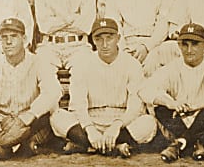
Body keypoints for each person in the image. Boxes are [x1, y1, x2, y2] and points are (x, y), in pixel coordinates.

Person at [51, 18, 158, 158]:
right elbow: (78, 105)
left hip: (121, 121)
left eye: (110, 38)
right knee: (57, 117)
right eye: (99, 39)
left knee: (148, 123)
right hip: (91, 119)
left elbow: (135, 107)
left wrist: (117, 126)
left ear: (118, 38)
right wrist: (90, 129)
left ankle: (88, 146)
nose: (105, 44)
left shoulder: (132, 64)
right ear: (93, 41)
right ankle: (114, 147)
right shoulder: (83, 64)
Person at [0, 18, 61, 160]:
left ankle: (12, 147)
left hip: (31, 118)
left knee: (46, 121)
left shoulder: (38, 62)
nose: (8, 42)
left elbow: (54, 91)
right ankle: (13, 146)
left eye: (14, 37)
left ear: (24, 38)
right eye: (4, 38)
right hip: (4, 119)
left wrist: (29, 115)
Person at [138, 23, 204, 163]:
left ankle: (179, 144)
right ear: (179, 45)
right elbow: (145, 89)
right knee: (161, 108)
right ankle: (195, 143)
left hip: (203, 121)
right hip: (180, 118)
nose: (189, 50)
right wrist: (171, 103)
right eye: (185, 44)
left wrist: (198, 105)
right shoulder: (173, 67)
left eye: (195, 44)